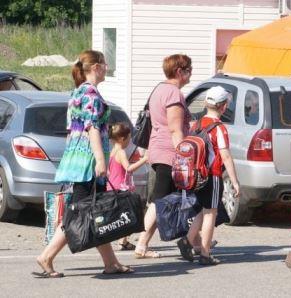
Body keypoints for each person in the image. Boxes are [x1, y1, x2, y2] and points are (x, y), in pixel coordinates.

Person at [35, 50, 132, 277]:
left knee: (92, 210)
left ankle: (111, 263)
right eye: (105, 63)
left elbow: (72, 132)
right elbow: (92, 128)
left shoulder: (78, 92)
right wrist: (100, 160)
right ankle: (46, 256)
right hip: (88, 163)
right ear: (96, 67)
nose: (107, 67)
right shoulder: (91, 95)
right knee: (81, 212)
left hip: (78, 160)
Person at [134, 54, 192, 258]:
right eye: (188, 69)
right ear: (179, 72)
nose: (190, 73)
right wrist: (184, 156)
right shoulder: (174, 94)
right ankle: (141, 244)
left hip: (157, 149)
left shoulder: (159, 89)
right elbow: (176, 129)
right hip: (169, 152)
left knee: (164, 199)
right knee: (160, 200)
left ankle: (194, 238)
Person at [177, 86, 240, 265]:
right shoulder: (219, 128)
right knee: (211, 213)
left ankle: (187, 241)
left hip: (197, 176)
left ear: (205, 103)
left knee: (204, 211)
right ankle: (205, 253)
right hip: (212, 175)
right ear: (224, 106)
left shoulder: (196, 124)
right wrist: (235, 182)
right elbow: (225, 156)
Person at [107, 122, 148, 250]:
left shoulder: (112, 151)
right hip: (121, 188)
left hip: (112, 187)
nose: (130, 142)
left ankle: (123, 241)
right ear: (122, 138)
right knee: (131, 215)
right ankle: (121, 240)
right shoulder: (121, 152)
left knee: (125, 214)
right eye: (129, 139)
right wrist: (144, 159)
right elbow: (128, 168)